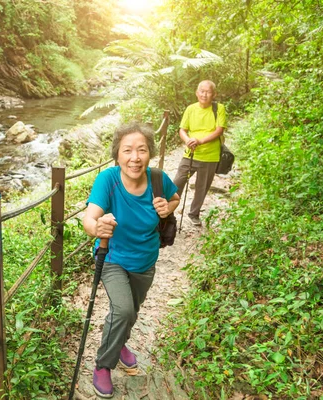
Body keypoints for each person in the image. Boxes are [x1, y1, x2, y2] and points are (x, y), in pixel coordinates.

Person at [82, 122, 180, 398]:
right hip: (112, 257)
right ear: (117, 155)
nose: (134, 158)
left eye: (141, 150)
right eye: (127, 151)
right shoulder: (108, 180)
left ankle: (119, 343)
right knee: (123, 310)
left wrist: (166, 208)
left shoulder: (159, 178)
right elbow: (90, 217)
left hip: (146, 260)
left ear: (150, 153)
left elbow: (175, 198)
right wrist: (96, 226)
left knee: (131, 312)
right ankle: (103, 365)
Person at [173, 80, 227, 226]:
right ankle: (166, 211)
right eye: (201, 91)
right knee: (177, 182)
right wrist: (188, 140)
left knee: (202, 186)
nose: (204, 94)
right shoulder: (190, 109)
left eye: (208, 91)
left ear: (214, 94)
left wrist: (200, 141)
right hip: (190, 153)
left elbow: (219, 130)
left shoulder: (219, 108)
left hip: (210, 155)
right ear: (197, 93)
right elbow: (182, 129)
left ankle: (194, 214)